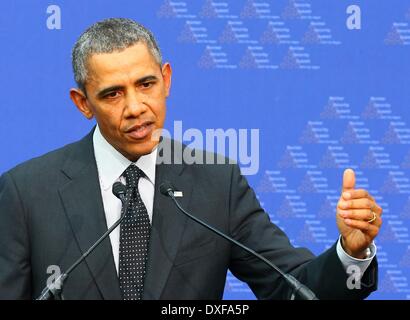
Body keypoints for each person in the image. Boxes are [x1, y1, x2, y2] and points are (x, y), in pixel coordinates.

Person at [0, 18, 382, 300]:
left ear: (166, 79)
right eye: (113, 94)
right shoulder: (26, 193)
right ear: (83, 103)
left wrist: (351, 253)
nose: (136, 107)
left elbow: (293, 288)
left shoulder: (216, 182)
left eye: (146, 84)